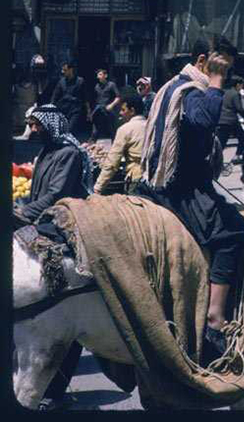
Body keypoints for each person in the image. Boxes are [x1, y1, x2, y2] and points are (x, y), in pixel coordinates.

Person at [136, 38, 244, 356]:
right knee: (235, 230)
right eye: (221, 67)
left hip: (166, 180)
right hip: (178, 190)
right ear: (203, 61)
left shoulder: (173, 86)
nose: (224, 76)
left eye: (227, 70)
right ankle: (214, 316)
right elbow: (203, 122)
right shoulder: (191, 91)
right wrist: (215, 82)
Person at [14, 105, 93, 411]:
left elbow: (56, 194)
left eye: (35, 125)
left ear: (50, 125)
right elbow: (37, 193)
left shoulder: (68, 154)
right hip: (40, 218)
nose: (31, 130)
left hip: (61, 223)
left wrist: (23, 213)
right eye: (30, 124)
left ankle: (55, 390)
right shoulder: (47, 150)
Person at [93, 93, 147, 194]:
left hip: (136, 181)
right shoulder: (152, 126)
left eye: (123, 110)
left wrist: (98, 187)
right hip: (153, 180)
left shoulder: (125, 129)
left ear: (132, 111)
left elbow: (112, 163)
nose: (120, 113)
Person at [52, 61, 92, 141]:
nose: (63, 72)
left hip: (75, 109)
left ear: (71, 70)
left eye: (65, 70)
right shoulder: (61, 82)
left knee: (70, 129)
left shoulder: (80, 81)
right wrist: (51, 108)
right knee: (62, 130)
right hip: (63, 109)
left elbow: (85, 97)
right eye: (62, 70)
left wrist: (88, 111)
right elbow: (55, 96)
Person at [217, 75, 244, 161]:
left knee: (220, 145)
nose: (242, 87)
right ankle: (237, 156)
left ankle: (214, 162)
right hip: (230, 121)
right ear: (237, 84)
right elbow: (239, 108)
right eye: (241, 85)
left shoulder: (226, 93)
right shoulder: (235, 94)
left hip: (221, 121)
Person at [91, 67, 121, 141]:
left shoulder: (111, 85)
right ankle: (93, 144)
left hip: (108, 108)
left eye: (100, 74)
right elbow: (94, 99)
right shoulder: (97, 86)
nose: (98, 76)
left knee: (111, 129)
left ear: (105, 75)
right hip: (98, 108)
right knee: (95, 130)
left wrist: (111, 105)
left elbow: (118, 97)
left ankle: (114, 144)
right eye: (98, 75)